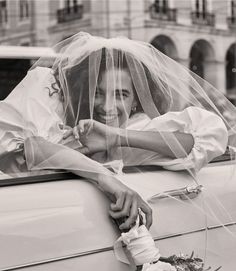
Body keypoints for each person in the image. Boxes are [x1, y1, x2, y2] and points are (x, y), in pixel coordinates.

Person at [0, 32, 234, 230]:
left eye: (121, 94)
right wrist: (106, 178)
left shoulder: (137, 130)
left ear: (134, 101)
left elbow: (203, 139)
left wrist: (115, 137)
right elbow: (28, 146)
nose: (107, 107)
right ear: (83, 92)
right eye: (97, 93)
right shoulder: (57, 125)